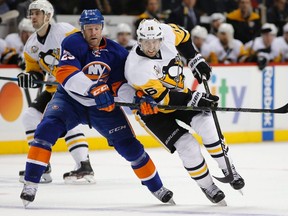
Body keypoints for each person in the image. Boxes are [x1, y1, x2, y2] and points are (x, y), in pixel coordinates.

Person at [19, 9, 174, 207]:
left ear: (102, 28)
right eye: (89, 28)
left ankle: (157, 187)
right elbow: (66, 72)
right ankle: (31, 184)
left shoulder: (117, 52)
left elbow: (120, 85)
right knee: (45, 130)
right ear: (82, 29)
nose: (93, 32)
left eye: (96, 28)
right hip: (70, 100)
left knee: (131, 147)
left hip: (102, 107)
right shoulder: (72, 42)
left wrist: (137, 98)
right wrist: (94, 88)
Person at [125, 19, 245, 205]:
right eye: (146, 42)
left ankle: (228, 168)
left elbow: (185, 37)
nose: (151, 46)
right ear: (138, 40)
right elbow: (165, 100)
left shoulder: (167, 31)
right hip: (152, 110)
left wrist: (195, 59)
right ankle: (208, 186)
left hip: (178, 94)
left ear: (161, 38)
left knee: (207, 126)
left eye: (155, 41)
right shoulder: (137, 68)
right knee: (187, 145)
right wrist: (195, 98)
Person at [17, 0, 95, 184]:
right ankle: (42, 164)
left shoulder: (64, 31)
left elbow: (86, 52)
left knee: (66, 116)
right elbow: (34, 71)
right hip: (54, 88)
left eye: (37, 13)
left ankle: (84, 166)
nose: (33, 17)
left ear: (48, 15)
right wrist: (29, 76)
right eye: (32, 13)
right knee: (30, 116)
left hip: (74, 86)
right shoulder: (31, 44)